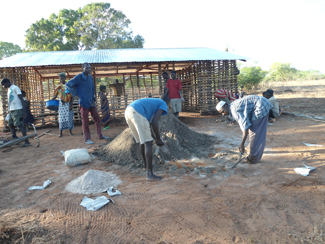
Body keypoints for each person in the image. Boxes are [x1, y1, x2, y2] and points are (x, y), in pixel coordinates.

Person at [216, 95, 273, 164]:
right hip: (262, 102)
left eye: (223, 111)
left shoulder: (234, 111)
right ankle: (253, 149)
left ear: (226, 106)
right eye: (221, 113)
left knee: (254, 132)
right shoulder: (232, 105)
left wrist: (242, 144)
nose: (223, 114)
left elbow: (245, 129)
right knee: (255, 131)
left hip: (261, 106)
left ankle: (253, 158)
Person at [125, 98, 168, 180]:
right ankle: (150, 174)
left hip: (128, 111)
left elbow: (149, 125)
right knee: (148, 143)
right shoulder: (163, 103)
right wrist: (159, 139)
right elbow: (155, 122)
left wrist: (155, 139)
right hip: (137, 112)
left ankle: (146, 166)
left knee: (143, 141)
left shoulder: (152, 105)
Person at [66, 63, 109, 144]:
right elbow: (68, 84)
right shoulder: (79, 77)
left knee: (97, 119)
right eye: (86, 68)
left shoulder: (90, 77)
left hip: (91, 102)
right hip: (83, 103)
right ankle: (87, 139)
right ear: (82, 68)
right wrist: (75, 94)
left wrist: (93, 98)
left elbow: (92, 88)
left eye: (89, 68)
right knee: (85, 121)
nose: (88, 69)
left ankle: (100, 135)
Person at [1, 78, 31, 147]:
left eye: (3, 85)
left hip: (17, 109)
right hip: (11, 110)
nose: (3, 87)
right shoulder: (8, 89)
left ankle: (27, 141)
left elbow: (21, 99)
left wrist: (24, 111)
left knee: (20, 125)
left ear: (6, 83)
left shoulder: (15, 88)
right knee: (11, 124)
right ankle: (15, 137)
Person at [51, 72, 74, 137]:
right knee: (61, 118)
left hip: (68, 104)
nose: (61, 80)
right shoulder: (59, 87)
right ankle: (60, 133)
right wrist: (50, 100)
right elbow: (55, 96)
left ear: (65, 78)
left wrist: (71, 105)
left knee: (69, 117)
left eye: (62, 78)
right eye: (60, 78)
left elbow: (72, 96)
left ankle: (70, 132)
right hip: (61, 105)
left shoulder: (69, 86)